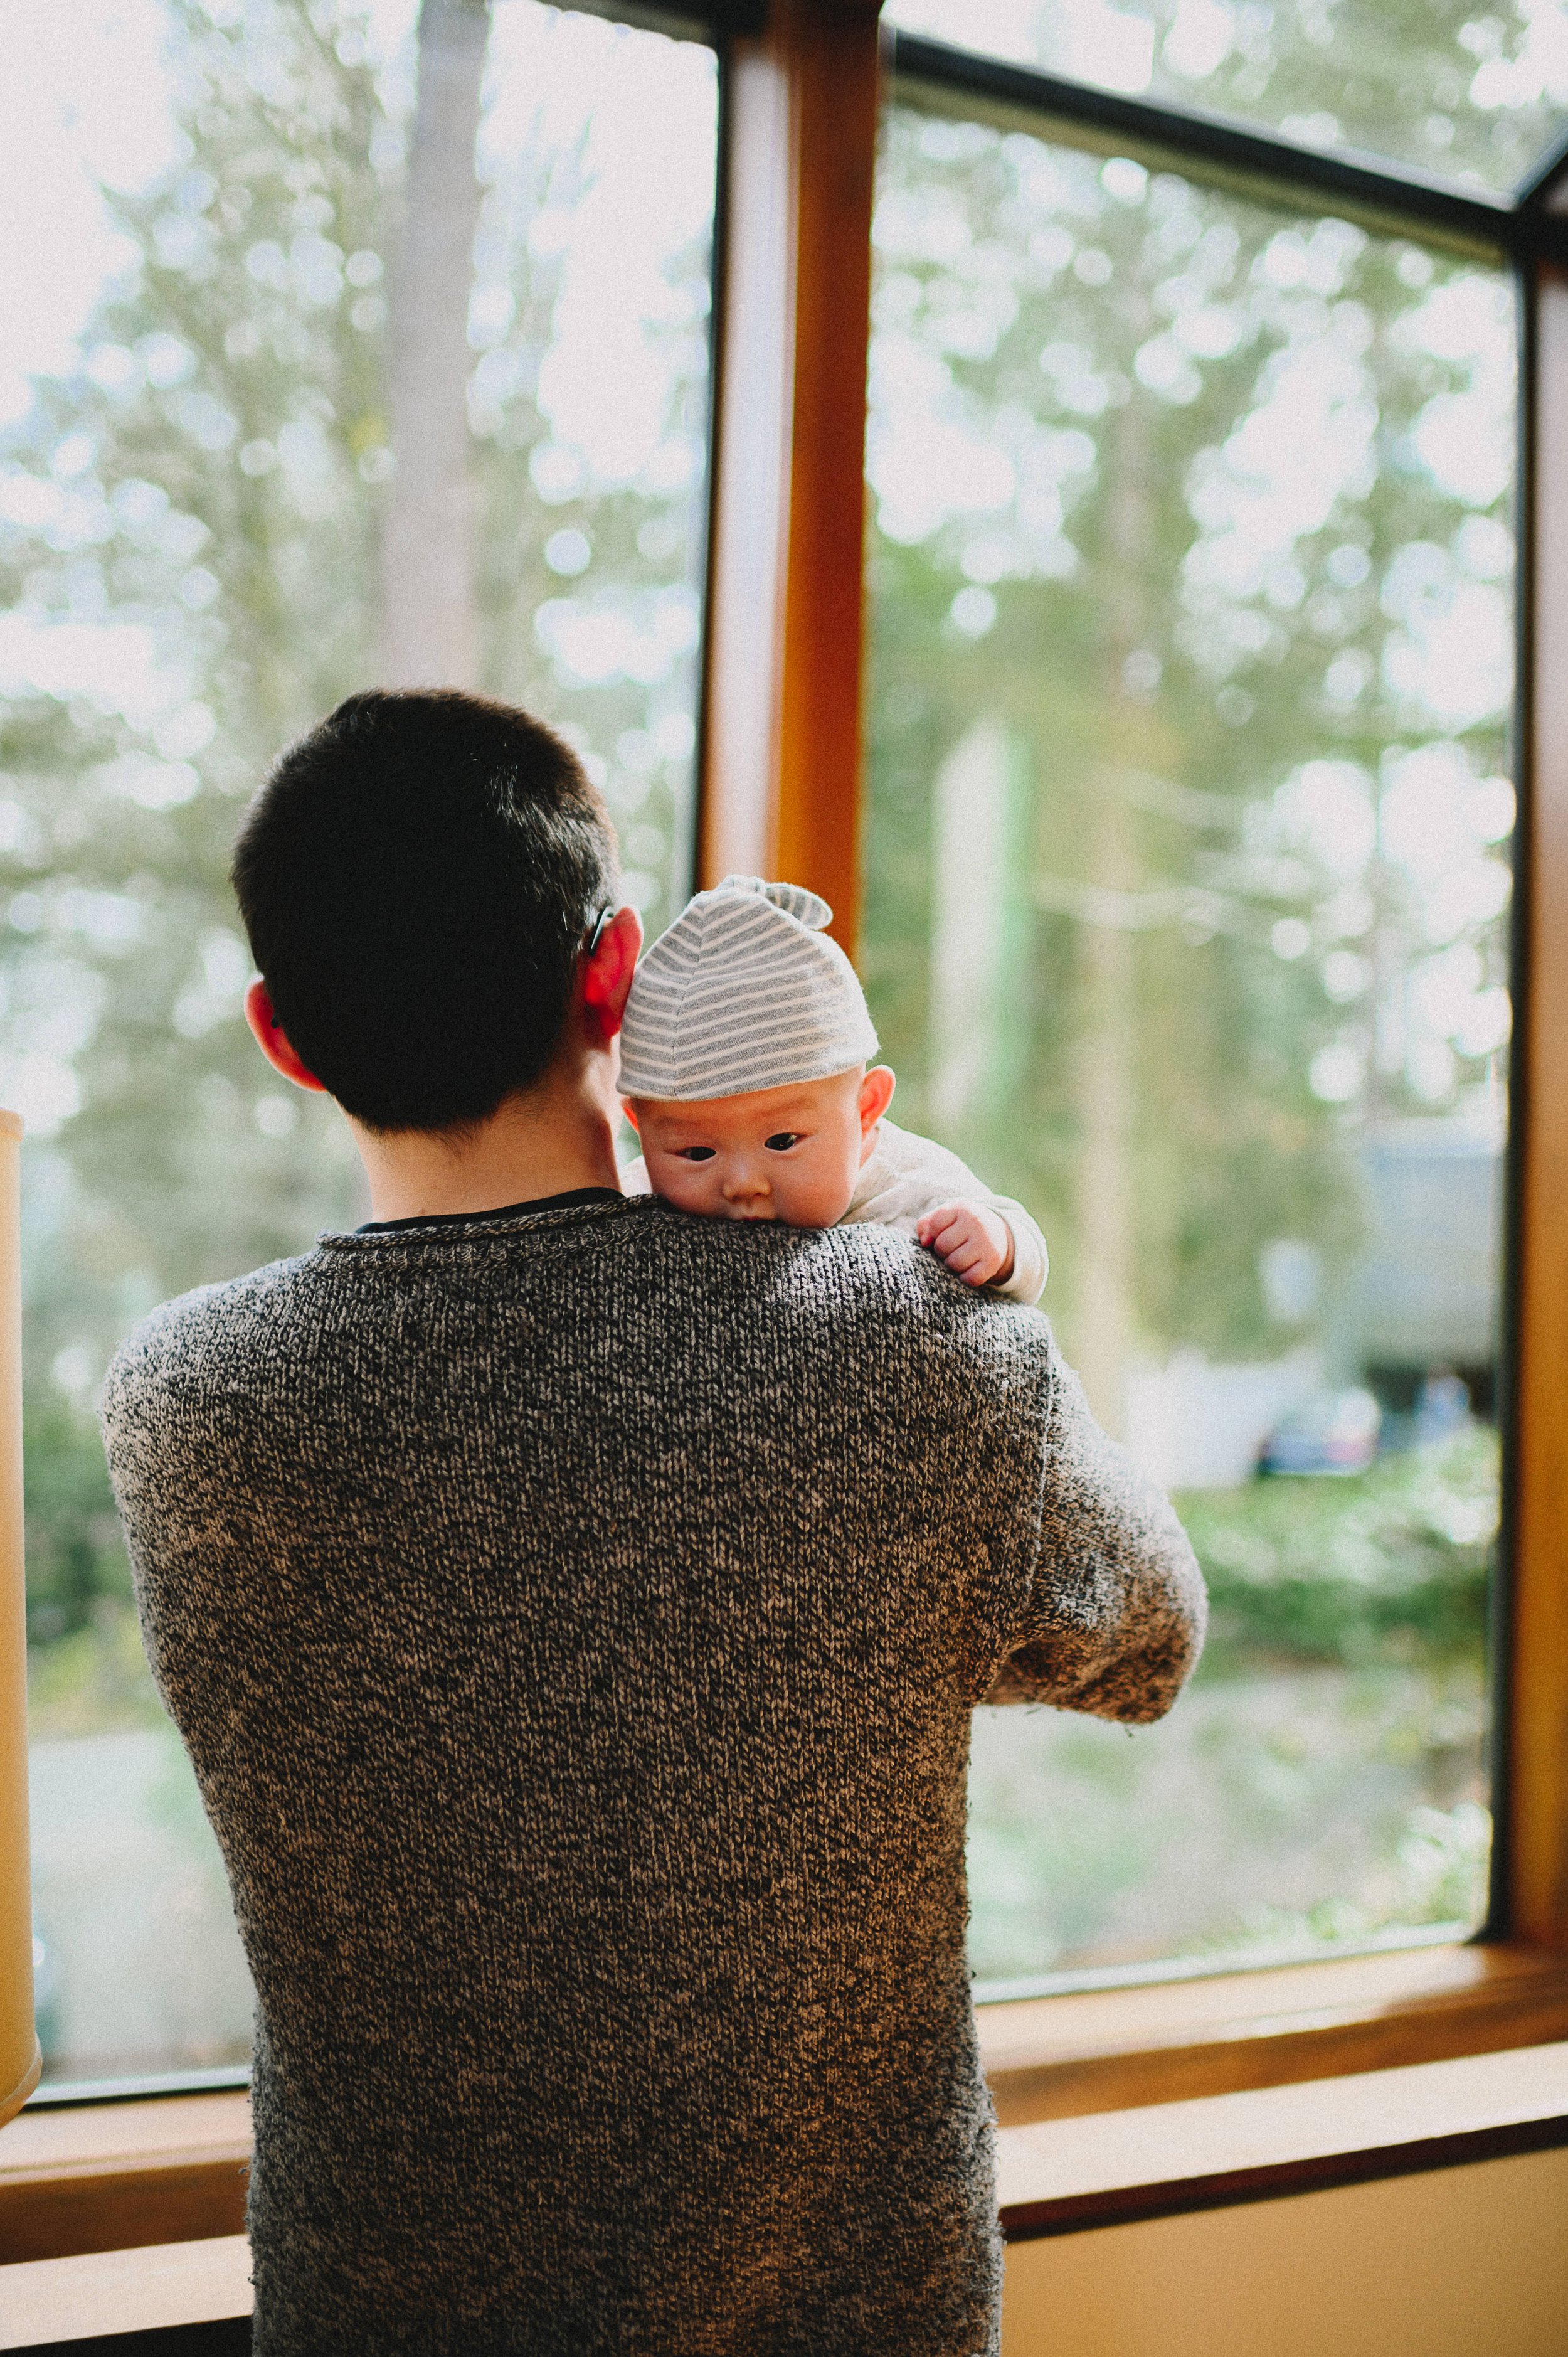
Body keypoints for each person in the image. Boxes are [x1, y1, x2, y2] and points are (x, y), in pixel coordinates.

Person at [100, 688, 1206, 2357]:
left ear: (286, 1035)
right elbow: (1142, 1636)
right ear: (613, 976)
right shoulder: (898, 1333)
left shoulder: (188, 1398)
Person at [617, 873, 1049, 1303]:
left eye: (782, 1140)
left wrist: (998, 1242)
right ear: (641, 1129)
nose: (743, 1184)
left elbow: (1025, 1248)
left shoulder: (913, 1186)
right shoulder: (632, 1196)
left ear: (866, 1110)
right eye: (697, 1153)